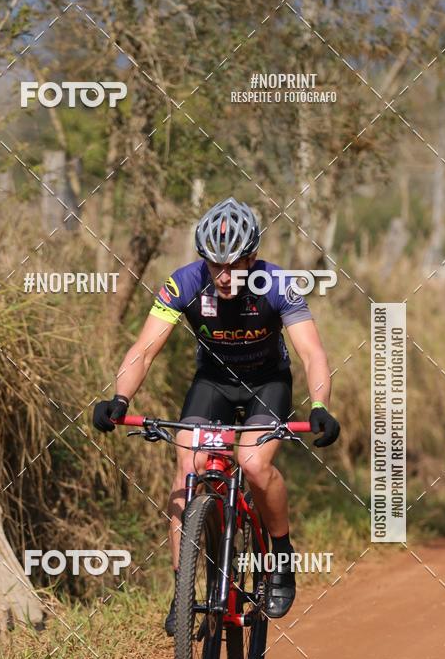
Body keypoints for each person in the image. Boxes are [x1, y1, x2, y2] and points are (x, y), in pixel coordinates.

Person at [93, 196, 340, 635]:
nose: (223, 277)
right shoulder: (184, 283)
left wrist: (319, 405)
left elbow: (311, 352)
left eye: (234, 266)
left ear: (253, 258)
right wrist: (120, 398)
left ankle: (281, 556)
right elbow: (145, 349)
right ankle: (183, 591)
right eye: (214, 265)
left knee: (253, 464)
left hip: (268, 383)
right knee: (187, 471)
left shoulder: (278, 284)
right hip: (212, 385)